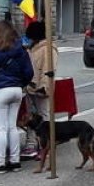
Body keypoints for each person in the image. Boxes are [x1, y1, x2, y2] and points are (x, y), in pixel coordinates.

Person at [0, 21, 34, 173]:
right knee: (12, 127)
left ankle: (0, 163)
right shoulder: (21, 50)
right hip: (16, 90)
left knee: (1, 129)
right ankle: (15, 161)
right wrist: (20, 83)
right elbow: (29, 73)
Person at [23, 21, 57, 160]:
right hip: (30, 86)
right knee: (31, 116)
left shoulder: (48, 49)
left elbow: (49, 69)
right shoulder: (34, 47)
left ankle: (46, 146)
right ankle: (32, 143)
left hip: (41, 87)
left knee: (43, 115)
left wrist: (44, 87)